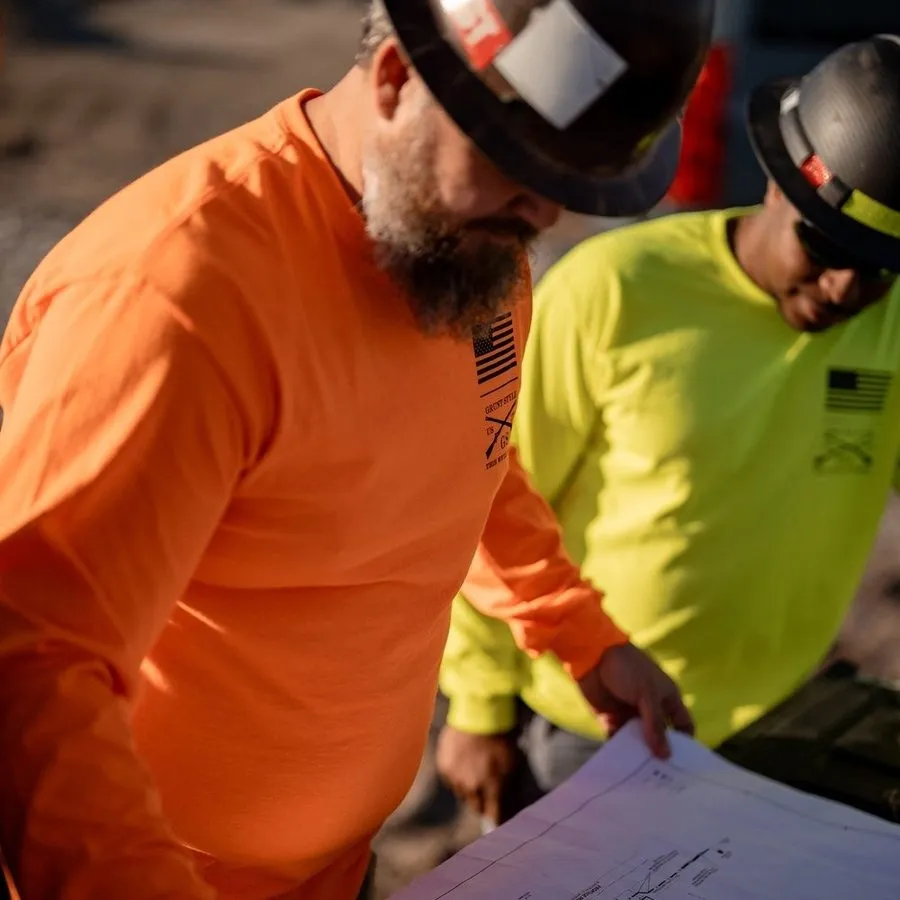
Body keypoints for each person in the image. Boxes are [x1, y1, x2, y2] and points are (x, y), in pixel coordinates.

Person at [0, 1, 713, 898]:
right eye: (520, 164)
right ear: (396, 80)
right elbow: (34, 660)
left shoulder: (470, 244)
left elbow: (470, 459)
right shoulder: (177, 299)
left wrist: (581, 635)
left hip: (334, 869)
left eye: (570, 183)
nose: (545, 213)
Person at [436, 33, 900, 828]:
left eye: (880, 264)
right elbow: (489, 497)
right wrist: (478, 704)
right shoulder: (616, 291)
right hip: (598, 726)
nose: (844, 287)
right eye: (824, 245)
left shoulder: (889, 324)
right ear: (778, 184)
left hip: (783, 718)